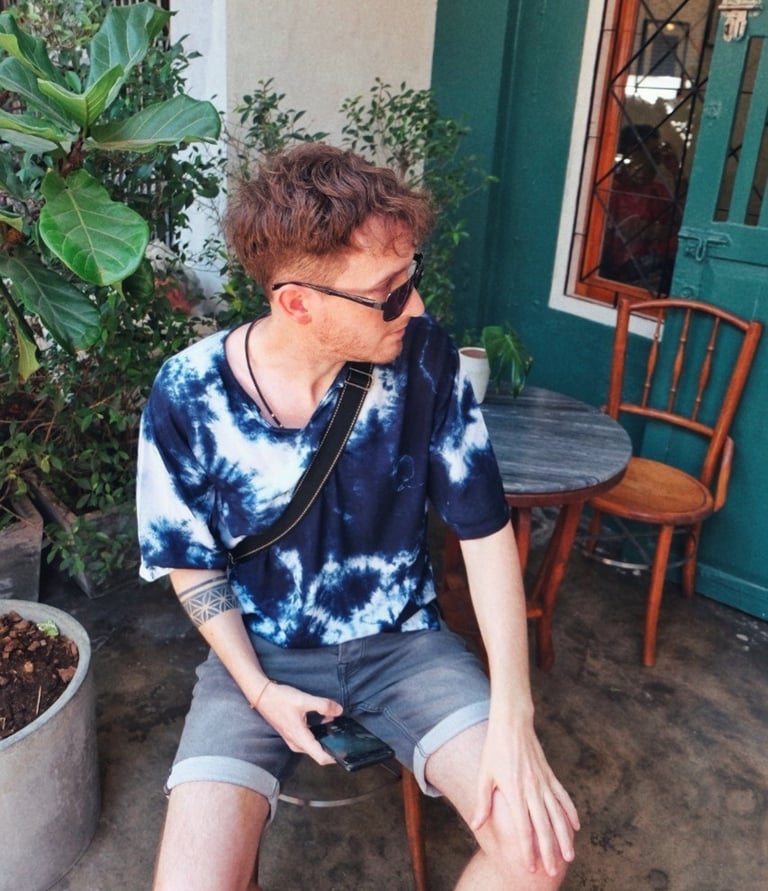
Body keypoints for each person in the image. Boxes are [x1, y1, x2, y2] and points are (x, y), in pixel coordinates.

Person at [137, 142, 580, 891]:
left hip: (405, 646)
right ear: (298, 302)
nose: (416, 306)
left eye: (412, 277)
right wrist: (255, 685)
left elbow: (482, 528)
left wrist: (515, 712)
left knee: (538, 852)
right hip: (258, 649)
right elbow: (190, 558)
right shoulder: (188, 392)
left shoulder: (424, 356)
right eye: (388, 291)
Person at [601, 124, 682, 293]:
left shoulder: (658, 191)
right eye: (647, 155)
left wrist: (676, 172)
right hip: (622, 277)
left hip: (658, 270)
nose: (653, 163)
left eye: (656, 156)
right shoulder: (612, 188)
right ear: (630, 154)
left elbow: (682, 225)